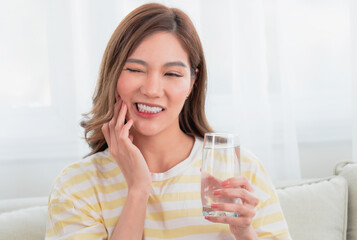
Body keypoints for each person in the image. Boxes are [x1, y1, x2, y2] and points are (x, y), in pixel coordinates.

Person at [45, 3, 291, 240]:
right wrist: (138, 190)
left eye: (172, 73)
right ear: (114, 75)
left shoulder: (242, 171)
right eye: (135, 69)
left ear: (192, 83)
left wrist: (244, 233)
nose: (152, 89)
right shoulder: (77, 186)